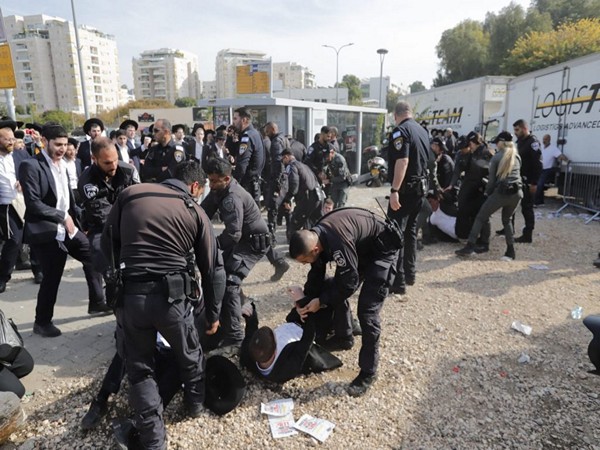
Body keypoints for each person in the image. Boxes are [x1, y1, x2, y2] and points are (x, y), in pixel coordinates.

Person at [101, 160, 225, 449]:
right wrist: (214, 316)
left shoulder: (131, 195)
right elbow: (213, 271)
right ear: (195, 186)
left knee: (140, 368)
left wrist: (116, 281)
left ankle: (154, 440)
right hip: (172, 301)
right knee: (190, 354)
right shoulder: (194, 210)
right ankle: (194, 406)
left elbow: (106, 243)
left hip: (131, 298)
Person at [289, 207, 400, 396]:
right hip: (362, 248)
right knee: (332, 286)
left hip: (383, 251)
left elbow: (349, 283)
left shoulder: (336, 240)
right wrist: (305, 302)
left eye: (305, 260)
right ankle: (345, 335)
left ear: (314, 249)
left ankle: (368, 372)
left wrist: (321, 301)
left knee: (368, 313)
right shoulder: (317, 235)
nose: (305, 264)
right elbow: (317, 273)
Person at [19, 124, 110, 338]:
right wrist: (61, 216)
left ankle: (97, 302)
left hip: (69, 228)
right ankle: (42, 322)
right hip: (46, 231)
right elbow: (33, 203)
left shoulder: (65, 165)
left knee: (93, 256)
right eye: (57, 144)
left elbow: (67, 200)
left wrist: (83, 219)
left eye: (65, 144)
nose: (62, 149)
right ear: (43, 141)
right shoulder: (30, 165)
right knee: (52, 276)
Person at [201, 158, 289, 349]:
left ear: (226, 178)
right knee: (220, 273)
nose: (211, 184)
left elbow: (233, 234)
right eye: (209, 180)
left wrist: (209, 246)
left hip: (253, 243)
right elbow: (203, 212)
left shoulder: (231, 197)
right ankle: (235, 310)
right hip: (244, 239)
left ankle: (235, 335)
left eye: (215, 181)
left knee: (231, 282)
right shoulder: (220, 189)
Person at [78, 137, 139, 296]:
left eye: (115, 160)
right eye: (107, 163)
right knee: (107, 263)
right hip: (101, 228)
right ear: (94, 159)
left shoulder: (128, 171)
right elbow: (102, 215)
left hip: (129, 222)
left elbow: (140, 201)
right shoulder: (87, 181)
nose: (113, 166)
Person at [387, 101, 435, 296]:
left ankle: (397, 282)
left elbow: (403, 160)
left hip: (405, 191)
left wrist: (394, 190)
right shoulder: (423, 131)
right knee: (411, 233)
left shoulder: (400, 131)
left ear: (396, 115)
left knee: (395, 234)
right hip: (419, 190)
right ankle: (410, 274)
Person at [240, 294, 342, 384]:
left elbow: (250, 331)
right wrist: (303, 304)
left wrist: (250, 312)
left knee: (315, 292)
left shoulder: (249, 354)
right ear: (275, 351)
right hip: (312, 332)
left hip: (294, 323)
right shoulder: (285, 369)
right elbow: (308, 339)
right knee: (329, 301)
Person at [456, 131, 523, 260]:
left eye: (497, 142)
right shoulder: (517, 156)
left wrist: (487, 193)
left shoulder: (497, 157)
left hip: (501, 193)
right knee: (507, 220)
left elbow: (491, 181)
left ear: (501, 142)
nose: (496, 144)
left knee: (481, 217)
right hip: (517, 193)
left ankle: (470, 246)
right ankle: (510, 251)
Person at [447, 132, 493, 251]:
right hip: (473, 188)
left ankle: (484, 242)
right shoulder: (474, 153)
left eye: (470, 143)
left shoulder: (485, 153)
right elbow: (461, 170)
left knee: (483, 215)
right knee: (475, 214)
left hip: (481, 189)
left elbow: (489, 173)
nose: (469, 146)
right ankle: (477, 238)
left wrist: (486, 187)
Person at [281, 149, 324, 242]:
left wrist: (287, 199)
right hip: (318, 196)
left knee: (295, 223)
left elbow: (294, 185)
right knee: (316, 223)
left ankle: (295, 248)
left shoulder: (292, 166)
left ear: (286, 157)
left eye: (283, 160)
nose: (283, 163)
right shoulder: (304, 165)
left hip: (308, 198)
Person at [512, 119, 542, 243]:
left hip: (528, 181)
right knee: (511, 205)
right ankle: (509, 228)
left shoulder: (532, 143)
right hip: (518, 179)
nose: (515, 133)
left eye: (517, 130)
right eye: (514, 130)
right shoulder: (519, 142)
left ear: (524, 128)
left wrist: (534, 183)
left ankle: (527, 235)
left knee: (527, 208)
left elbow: (537, 164)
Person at [231, 107, 265, 204]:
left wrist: (234, 183)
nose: (233, 122)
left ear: (244, 120)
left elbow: (242, 166)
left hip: (247, 186)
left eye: (235, 118)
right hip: (254, 184)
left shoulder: (247, 137)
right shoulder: (255, 133)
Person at [141, 119, 186, 183]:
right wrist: (161, 169)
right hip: (154, 188)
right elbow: (145, 171)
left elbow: (172, 173)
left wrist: (155, 177)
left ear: (166, 132)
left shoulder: (177, 150)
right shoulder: (153, 149)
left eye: (156, 131)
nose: (153, 133)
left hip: (171, 188)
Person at [263, 122, 288, 238]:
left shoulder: (276, 142)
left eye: (267, 132)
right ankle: (289, 232)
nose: (266, 135)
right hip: (284, 178)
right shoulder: (284, 139)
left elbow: (278, 163)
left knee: (272, 207)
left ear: (273, 129)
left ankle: (271, 235)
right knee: (285, 205)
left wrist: (277, 183)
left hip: (278, 179)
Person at [534, 134, 568, 206]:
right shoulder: (541, 147)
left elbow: (560, 155)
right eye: (543, 139)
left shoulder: (553, 149)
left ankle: (535, 202)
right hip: (539, 169)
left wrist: (567, 160)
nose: (544, 141)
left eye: (546, 139)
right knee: (539, 185)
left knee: (539, 185)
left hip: (547, 170)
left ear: (549, 140)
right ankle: (540, 202)